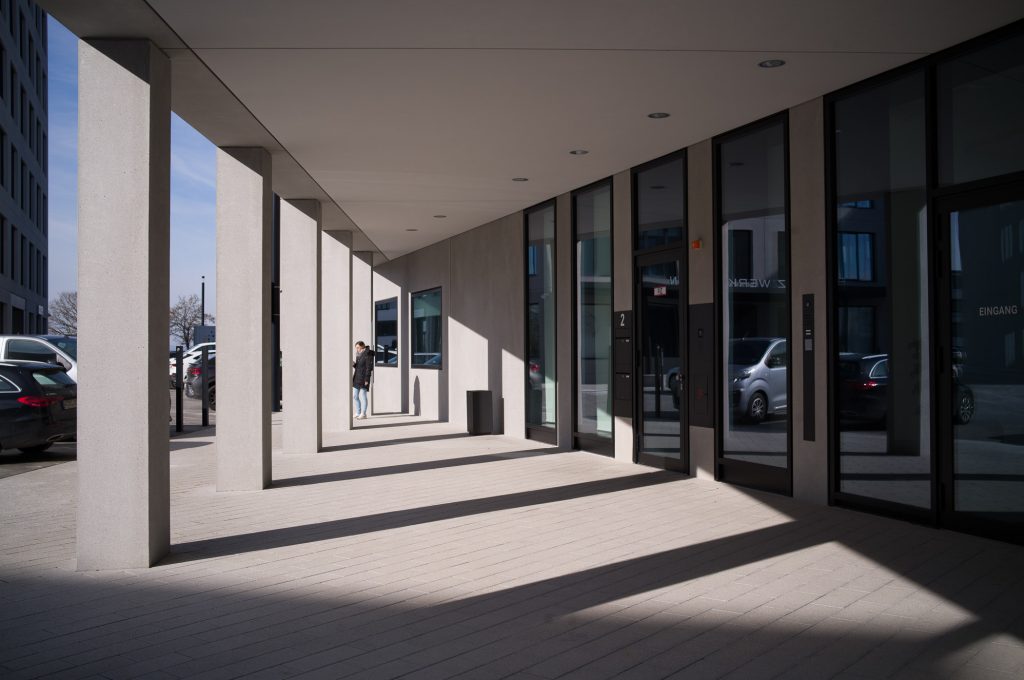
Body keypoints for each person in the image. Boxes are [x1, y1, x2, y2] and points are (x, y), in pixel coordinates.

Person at [352, 341, 373, 420]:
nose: (357, 349)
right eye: (356, 348)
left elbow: (368, 368)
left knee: (363, 396)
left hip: (364, 378)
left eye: (358, 347)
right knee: (355, 396)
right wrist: (353, 364)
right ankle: (358, 412)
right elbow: (359, 367)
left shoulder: (368, 354)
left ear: (362, 346)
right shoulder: (359, 354)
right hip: (357, 378)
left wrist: (367, 379)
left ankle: (363, 414)